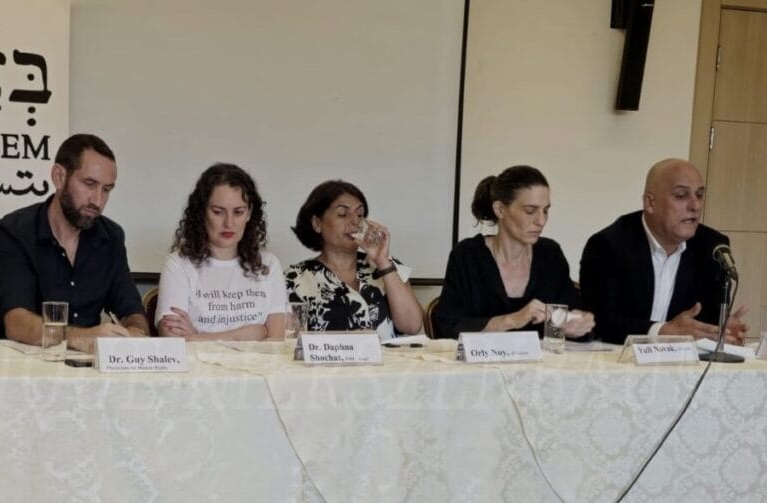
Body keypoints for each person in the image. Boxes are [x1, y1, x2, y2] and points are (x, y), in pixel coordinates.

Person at [0, 133, 148, 351]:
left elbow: (131, 310)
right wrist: (82, 338)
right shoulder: (14, 231)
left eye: (106, 190)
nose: (98, 201)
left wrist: (136, 332)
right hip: (29, 363)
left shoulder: (111, 237)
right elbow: (16, 323)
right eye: (89, 184)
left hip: (88, 366)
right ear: (59, 177)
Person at [580, 158, 747, 344]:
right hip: (618, 356)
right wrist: (662, 331)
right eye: (681, 196)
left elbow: (706, 315)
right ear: (650, 203)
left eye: (699, 195)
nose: (695, 206)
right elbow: (601, 321)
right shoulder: (608, 245)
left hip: (683, 359)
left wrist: (720, 327)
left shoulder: (712, 247)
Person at [433, 165, 594, 339]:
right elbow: (448, 327)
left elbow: (575, 320)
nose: (541, 221)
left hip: (543, 358)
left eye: (546, 210)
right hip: (483, 358)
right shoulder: (467, 255)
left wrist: (578, 324)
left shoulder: (550, 254)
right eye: (530, 211)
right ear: (500, 210)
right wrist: (512, 320)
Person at [156, 163, 286, 340]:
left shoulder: (268, 264)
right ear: (202, 212)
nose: (229, 223)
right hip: (200, 362)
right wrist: (251, 333)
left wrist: (197, 338)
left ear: (249, 213)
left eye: (238, 212)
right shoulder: (177, 265)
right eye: (218, 212)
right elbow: (174, 341)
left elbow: (276, 341)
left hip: (252, 363)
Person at [286, 180, 422, 338]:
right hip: (330, 355)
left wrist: (383, 262)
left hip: (388, 355)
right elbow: (293, 342)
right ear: (317, 223)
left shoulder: (388, 266)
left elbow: (412, 326)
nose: (355, 221)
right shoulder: (295, 279)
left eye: (360, 215)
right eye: (342, 214)